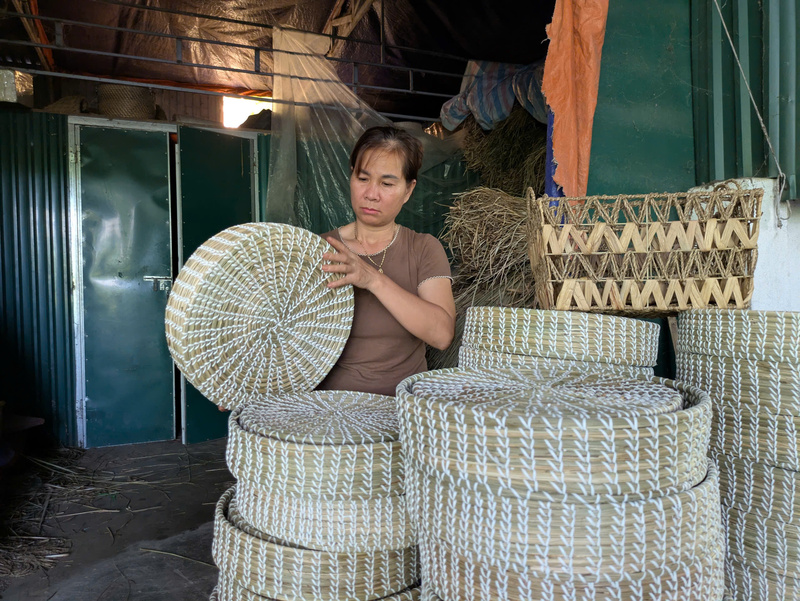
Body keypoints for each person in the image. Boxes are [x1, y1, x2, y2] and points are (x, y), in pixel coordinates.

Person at [318, 125, 456, 396]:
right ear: (351, 177)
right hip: (328, 409)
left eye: (387, 183)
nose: (371, 193)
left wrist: (371, 279)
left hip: (402, 412)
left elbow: (441, 335)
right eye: (363, 178)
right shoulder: (319, 249)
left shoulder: (423, 249)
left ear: (408, 190)